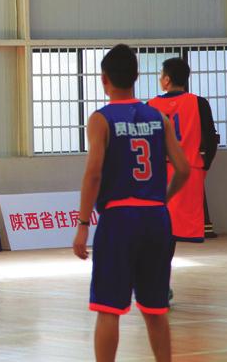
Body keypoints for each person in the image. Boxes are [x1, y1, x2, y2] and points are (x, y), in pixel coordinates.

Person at [72, 44, 190, 362]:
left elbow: (93, 174)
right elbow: (183, 169)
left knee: (108, 308)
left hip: (119, 219)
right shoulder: (159, 117)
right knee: (155, 308)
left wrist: (82, 225)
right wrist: (161, 199)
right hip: (156, 219)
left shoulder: (101, 119)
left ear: (104, 79)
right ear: (136, 77)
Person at [148, 57, 219, 243]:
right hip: (190, 169)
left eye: (161, 75)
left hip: (160, 172)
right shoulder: (199, 103)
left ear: (167, 80)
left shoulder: (151, 106)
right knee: (186, 229)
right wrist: (204, 165)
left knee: (160, 229)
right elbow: (211, 139)